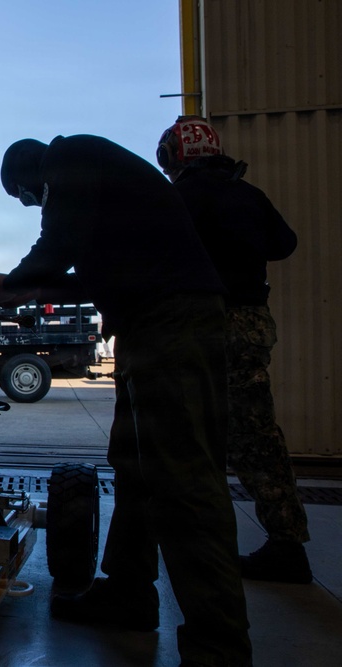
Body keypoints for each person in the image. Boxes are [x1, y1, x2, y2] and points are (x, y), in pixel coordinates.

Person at [0, 135, 252, 667]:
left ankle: (220, 644)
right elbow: (94, 266)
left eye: (28, 198)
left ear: (29, 175)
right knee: (134, 468)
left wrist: (14, 282)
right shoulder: (99, 177)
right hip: (148, 324)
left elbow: (58, 243)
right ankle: (128, 594)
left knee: (184, 482)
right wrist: (30, 289)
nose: (36, 206)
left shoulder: (71, 156)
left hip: (172, 323)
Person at [158, 115, 310, 583]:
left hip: (207, 327)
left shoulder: (180, 198)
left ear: (175, 157)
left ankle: (214, 546)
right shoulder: (248, 195)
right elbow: (284, 244)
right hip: (252, 326)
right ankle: (285, 540)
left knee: (198, 438)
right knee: (256, 434)